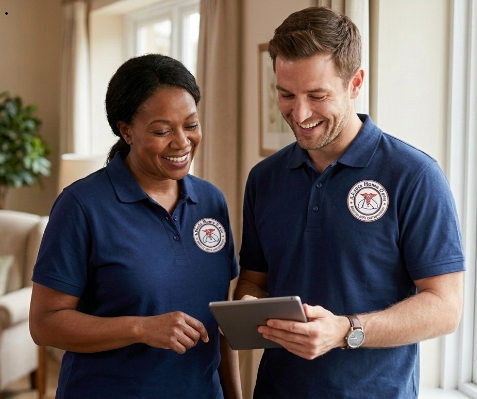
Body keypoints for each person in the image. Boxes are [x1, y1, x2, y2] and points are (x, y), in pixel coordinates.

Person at [234, 6, 464, 399]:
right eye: (286, 94)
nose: (299, 113)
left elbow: (445, 308)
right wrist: (249, 310)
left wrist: (346, 331)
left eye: (317, 95)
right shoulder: (264, 179)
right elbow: (254, 281)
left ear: (355, 83)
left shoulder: (414, 175)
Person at [29, 54, 242, 399]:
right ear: (126, 130)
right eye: (162, 130)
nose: (182, 142)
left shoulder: (211, 201)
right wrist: (141, 328)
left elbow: (218, 324)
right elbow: (44, 323)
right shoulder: (81, 205)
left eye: (190, 125)